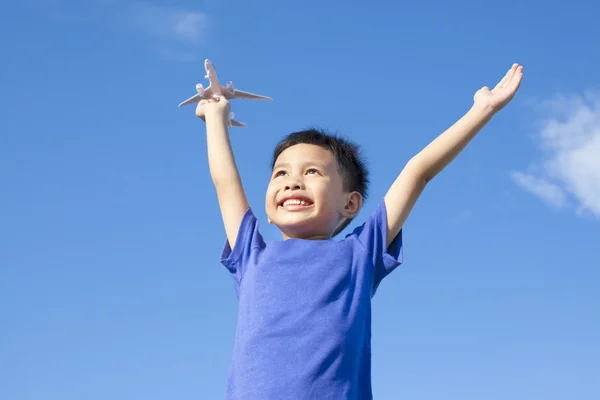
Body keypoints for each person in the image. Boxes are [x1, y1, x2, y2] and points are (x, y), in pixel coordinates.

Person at [195, 63, 524, 399]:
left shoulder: (360, 252)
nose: (292, 181)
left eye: (312, 172)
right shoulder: (250, 252)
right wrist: (215, 119)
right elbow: (225, 182)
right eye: (280, 174)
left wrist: (483, 110)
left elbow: (418, 172)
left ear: (350, 204)